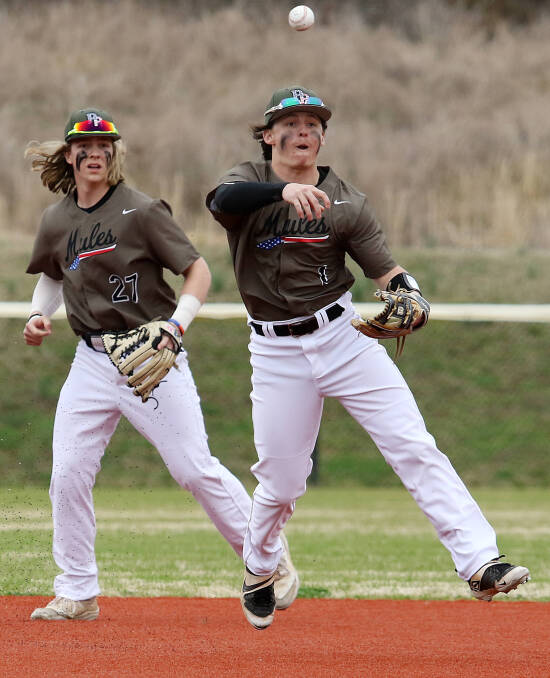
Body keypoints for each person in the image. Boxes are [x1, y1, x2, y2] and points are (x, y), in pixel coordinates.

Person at [206, 86, 530, 629]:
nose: (303, 131)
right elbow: (220, 201)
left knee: (412, 444)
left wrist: (411, 291)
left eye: (313, 123)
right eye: (291, 122)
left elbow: (387, 271)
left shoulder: (347, 201)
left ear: (323, 137)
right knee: (282, 482)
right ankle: (259, 568)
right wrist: (282, 192)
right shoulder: (247, 182)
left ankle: (480, 562)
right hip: (275, 349)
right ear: (267, 136)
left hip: (344, 336)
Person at [23, 107, 298, 621]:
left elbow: (197, 271)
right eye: (84, 145)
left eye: (104, 145)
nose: (95, 153)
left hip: (152, 354)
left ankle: (270, 560)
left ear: (114, 153)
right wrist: (39, 315)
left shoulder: (141, 211)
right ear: (69, 154)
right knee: (68, 473)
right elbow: (53, 276)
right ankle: (77, 591)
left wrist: (176, 326)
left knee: (192, 468)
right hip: (91, 362)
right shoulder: (57, 218)